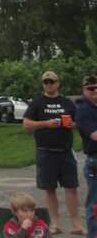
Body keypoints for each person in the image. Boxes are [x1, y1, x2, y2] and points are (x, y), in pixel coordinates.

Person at [23, 70, 84, 234]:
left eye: (52, 81)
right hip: (45, 151)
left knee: (72, 188)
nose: (49, 84)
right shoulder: (37, 103)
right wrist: (45, 123)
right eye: (46, 82)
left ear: (58, 83)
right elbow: (27, 124)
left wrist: (73, 124)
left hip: (65, 151)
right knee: (50, 189)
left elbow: (79, 122)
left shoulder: (67, 102)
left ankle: (77, 225)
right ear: (43, 84)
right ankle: (55, 224)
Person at [75, 73, 97, 238]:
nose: (95, 91)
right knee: (94, 205)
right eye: (91, 88)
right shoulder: (83, 110)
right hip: (94, 163)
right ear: (84, 90)